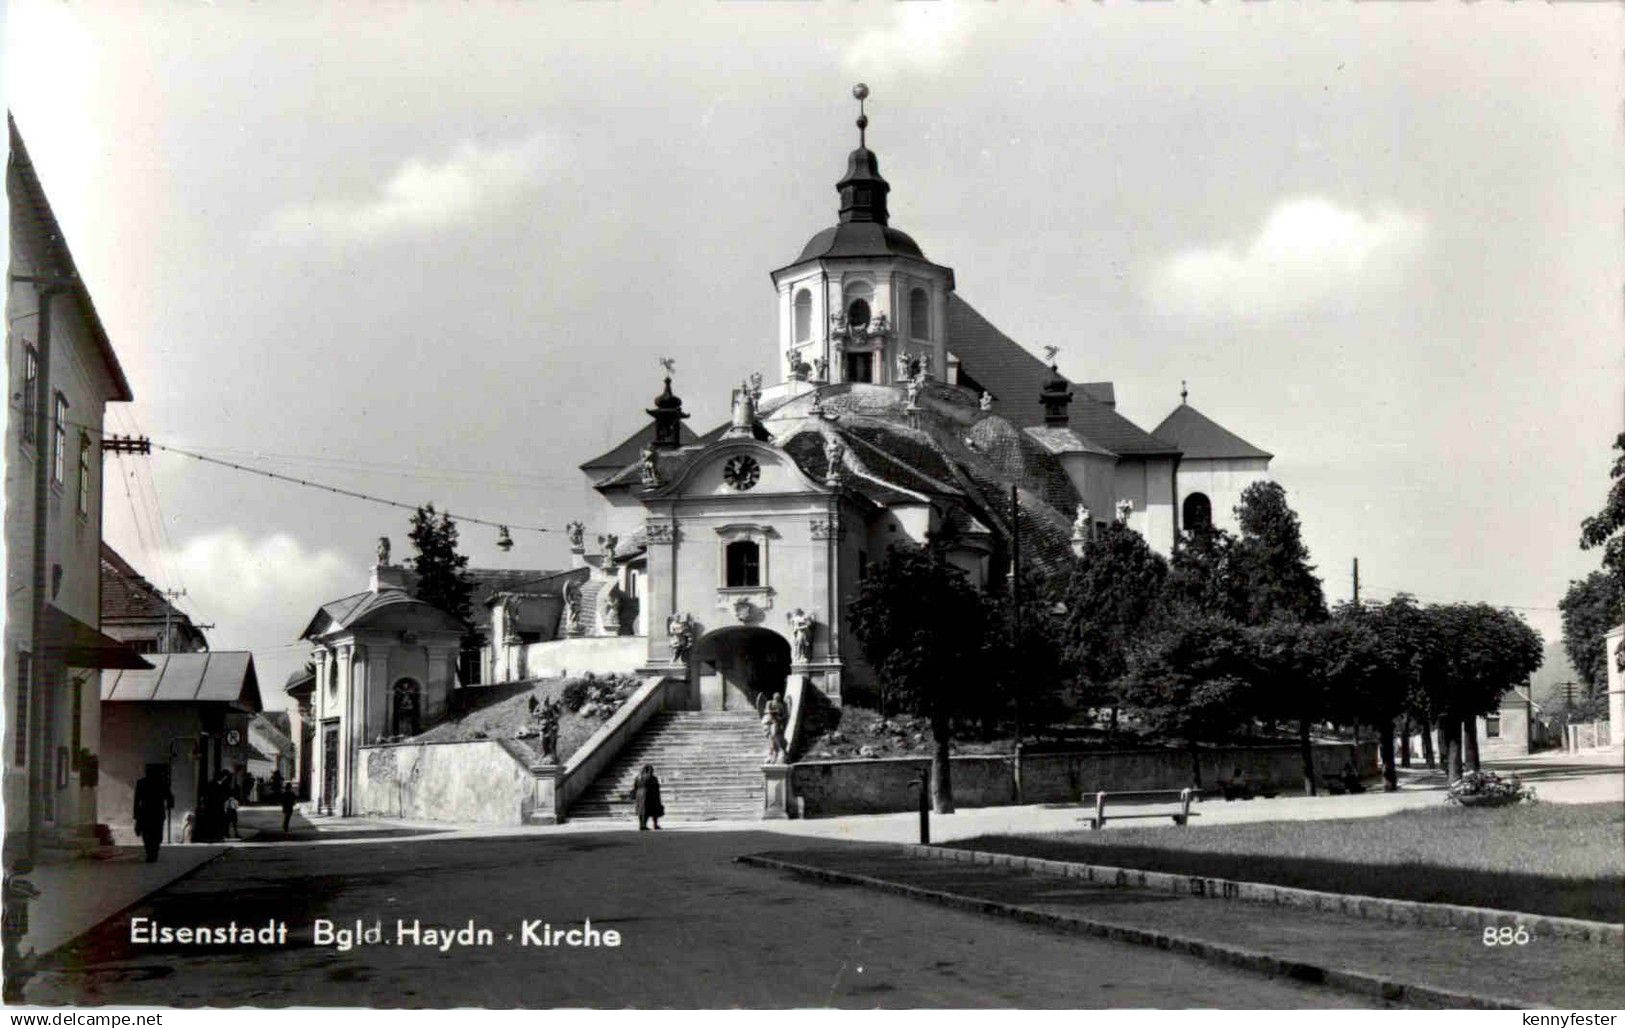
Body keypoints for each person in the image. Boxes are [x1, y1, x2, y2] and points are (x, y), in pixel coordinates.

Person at [132, 765, 174, 862]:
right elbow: (170, 796)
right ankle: (153, 852)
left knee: (148, 834)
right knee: (156, 834)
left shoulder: (142, 783)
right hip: (157, 812)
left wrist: (136, 815)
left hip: (145, 812)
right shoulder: (162, 782)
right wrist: (169, 805)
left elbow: (136, 800)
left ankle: (150, 852)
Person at [630, 765, 664, 831]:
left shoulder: (638, 777)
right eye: (651, 770)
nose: (652, 771)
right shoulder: (652, 778)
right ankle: (652, 825)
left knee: (641, 810)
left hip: (639, 794)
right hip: (649, 794)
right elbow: (656, 787)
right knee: (651, 810)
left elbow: (635, 787)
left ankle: (642, 825)